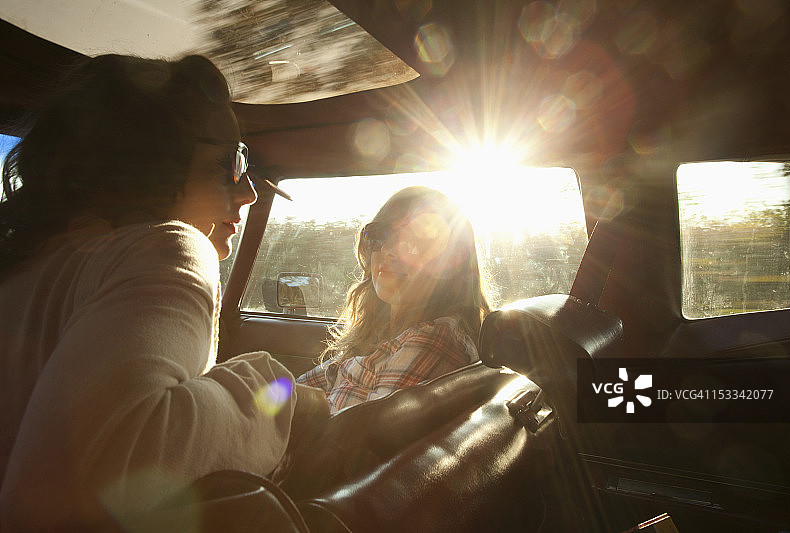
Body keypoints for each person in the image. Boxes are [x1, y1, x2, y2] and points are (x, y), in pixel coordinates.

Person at [0, 54, 327, 531]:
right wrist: (277, 389)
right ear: (142, 166)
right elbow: (94, 479)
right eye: (229, 162)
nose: (251, 192)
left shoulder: (29, 273)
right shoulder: (165, 245)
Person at [297, 186, 492, 413]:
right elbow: (295, 389)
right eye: (380, 236)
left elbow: (353, 439)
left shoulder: (434, 340)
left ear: (451, 263)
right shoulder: (381, 333)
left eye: (413, 242)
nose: (389, 250)